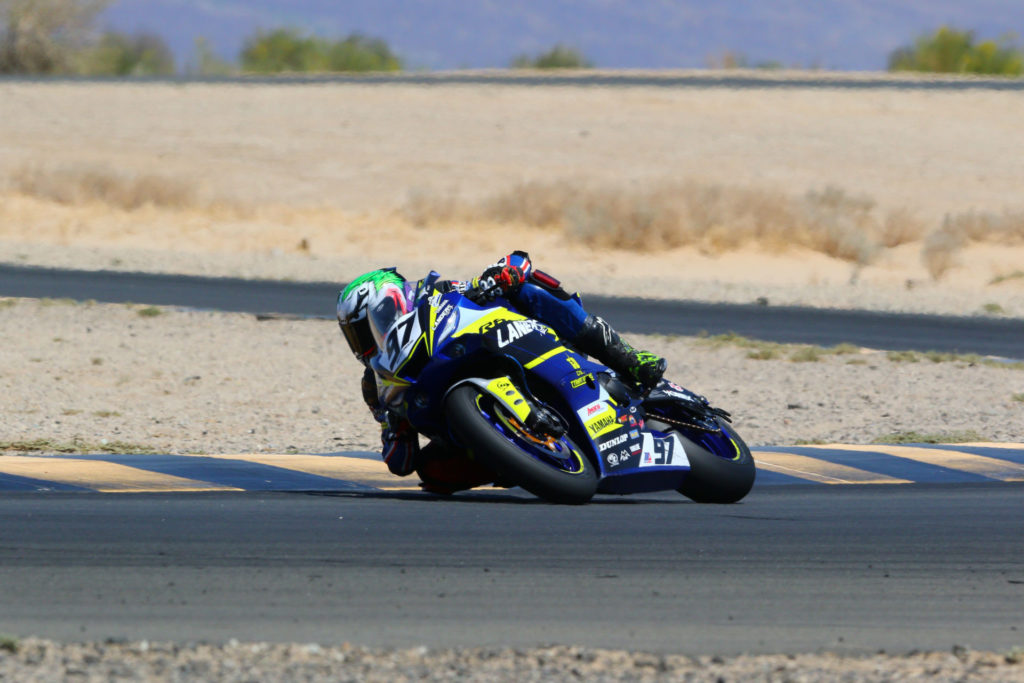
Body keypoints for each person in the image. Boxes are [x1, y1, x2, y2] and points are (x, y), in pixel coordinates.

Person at [336, 251, 666, 491]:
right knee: (434, 474)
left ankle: (629, 359)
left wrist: (500, 276)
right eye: (355, 335)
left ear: (390, 303)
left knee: (527, 287)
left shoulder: (435, 292)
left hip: (509, 342)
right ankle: (518, 458)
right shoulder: (377, 384)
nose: (362, 342)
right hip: (464, 422)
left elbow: (517, 262)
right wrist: (394, 422)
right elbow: (400, 461)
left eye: (363, 328)